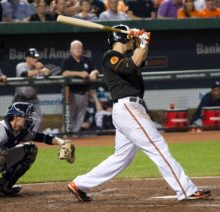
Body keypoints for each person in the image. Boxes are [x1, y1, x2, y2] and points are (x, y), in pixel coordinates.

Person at [67, 24, 211, 202]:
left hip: (130, 110)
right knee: (158, 146)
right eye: (128, 37)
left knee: (122, 158)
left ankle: (79, 184)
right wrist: (140, 43)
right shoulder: (110, 56)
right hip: (128, 109)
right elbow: (129, 67)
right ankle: (186, 189)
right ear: (120, 39)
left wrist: (143, 42)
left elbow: (139, 60)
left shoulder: (128, 55)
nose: (131, 40)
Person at [0, 102, 73, 200]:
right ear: (16, 117)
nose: (29, 119)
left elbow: (41, 137)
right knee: (0, 151)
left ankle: (3, 188)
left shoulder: (19, 129)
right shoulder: (0, 131)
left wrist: (62, 142)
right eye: (26, 117)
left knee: (30, 149)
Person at [61, 40, 99, 133]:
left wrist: (94, 72)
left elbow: (95, 70)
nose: (78, 50)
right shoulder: (67, 61)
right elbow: (64, 73)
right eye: (75, 48)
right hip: (71, 93)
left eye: (79, 48)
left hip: (84, 93)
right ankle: (66, 135)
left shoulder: (86, 60)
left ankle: (75, 135)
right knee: (69, 116)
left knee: (80, 117)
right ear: (71, 50)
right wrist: (79, 73)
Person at [13, 48, 51, 132]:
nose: (35, 59)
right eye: (33, 57)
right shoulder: (21, 65)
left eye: (36, 57)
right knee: (18, 123)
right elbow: (25, 74)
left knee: (38, 120)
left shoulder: (38, 68)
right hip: (20, 99)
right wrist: (39, 70)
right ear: (27, 58)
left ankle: (30, 138)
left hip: (33, 99)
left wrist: (44, 69)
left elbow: (48, 73)